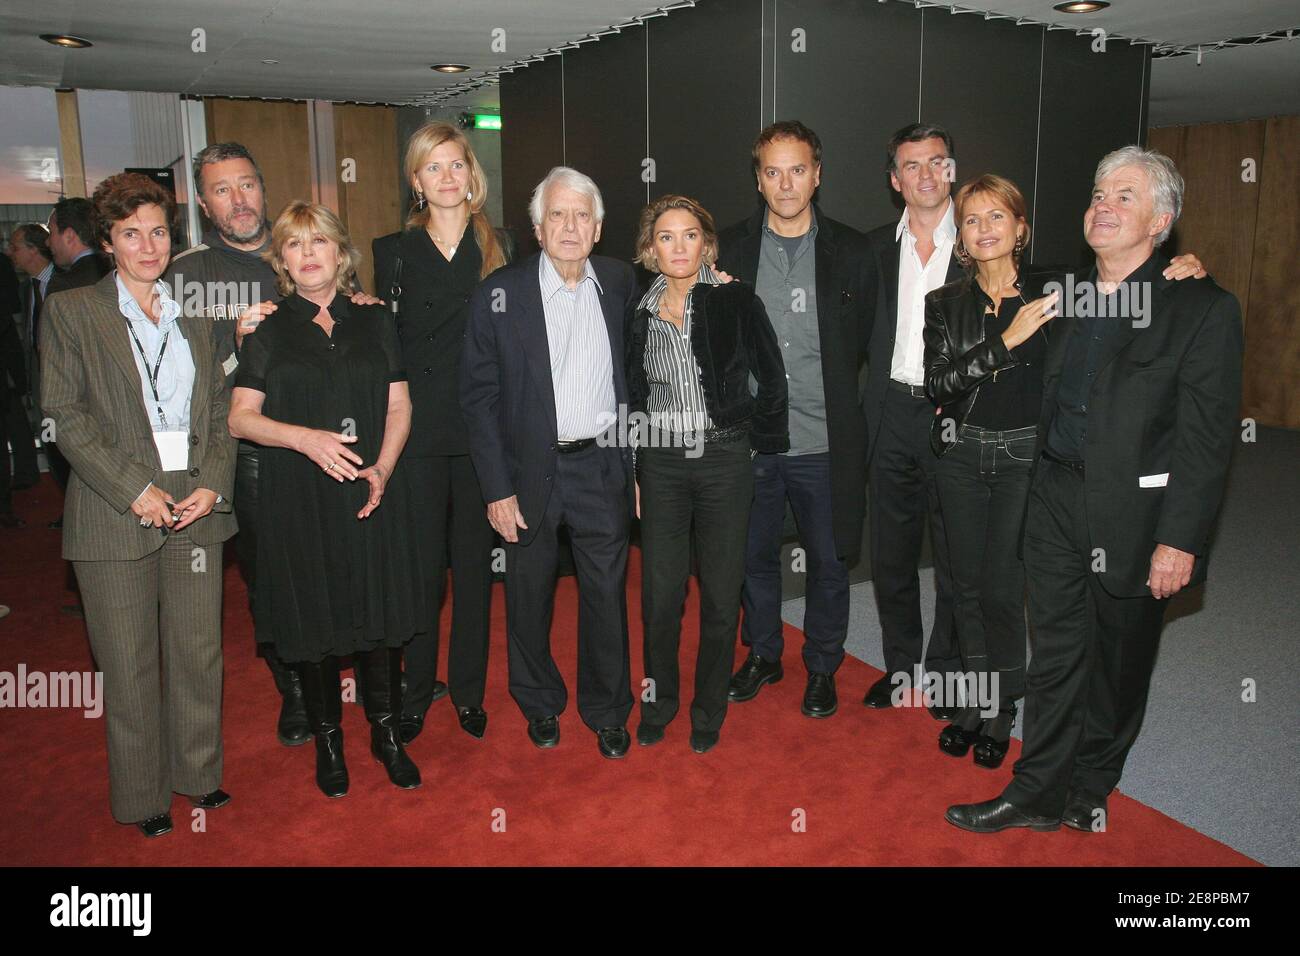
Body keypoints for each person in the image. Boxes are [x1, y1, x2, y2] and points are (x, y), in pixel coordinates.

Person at [945, 146, 1243, 833]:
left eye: (1124, 197)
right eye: (1098, 193)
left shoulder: (1199, 307)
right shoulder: (1065, 292)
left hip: (1137, 514)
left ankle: (1093, 778)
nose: (1103, 206)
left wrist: (1180, 540)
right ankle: (1036, 790)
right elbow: (990, 287)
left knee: (1119, 657)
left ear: (1160, 220)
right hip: (1053, 496)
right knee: (1054, 652)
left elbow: (1205, 441)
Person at [40, 172, 237, 837]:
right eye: (131, 233)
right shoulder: (73, 312)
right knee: (128, 664)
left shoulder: (199, 312)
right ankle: (142, 797)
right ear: (107, 241)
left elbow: (216, 406)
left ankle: (199, 776)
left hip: (194, 500)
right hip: (115, 506)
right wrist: (134, 489)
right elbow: (64, 417)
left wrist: (213, 480)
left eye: (158, 231)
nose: (148, 246)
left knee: (197, 652)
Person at [228, 201, 425, 797]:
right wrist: (305, 439)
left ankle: (386, 734)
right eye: (294, 244)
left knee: (381, 614)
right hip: (300, 495)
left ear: (341, 253)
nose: (309, 253)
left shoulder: (375, 319)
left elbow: (398, 405)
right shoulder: (266, 329)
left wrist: (384, 468)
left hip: (370, 490)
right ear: (283, 261)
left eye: (319, 241)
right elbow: (241, 420)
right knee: (313, 617)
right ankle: (328, 740)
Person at [461, 166, 638, 759]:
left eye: (581, 215)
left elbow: (644, 372)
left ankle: (609, 710)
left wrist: (636, 469)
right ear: (538, 228)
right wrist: (496, 487)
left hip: (603, 466)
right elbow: (478, 399)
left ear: (599, 227)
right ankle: (538, 701)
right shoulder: (499, 293)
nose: (570, 226)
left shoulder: (621, 283)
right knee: (528, 594)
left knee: (607, 595)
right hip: (526, 471)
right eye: (557, 215)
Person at [716, 121, 874, 719]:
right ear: (758, 179)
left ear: (818, 174)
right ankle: (762, 653)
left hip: (823, 440)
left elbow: (865, 341)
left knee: (828, 561)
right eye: (773, 171)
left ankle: (824, 665)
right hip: (750, 443)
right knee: (751, 557)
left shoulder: (854, 252)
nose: (786, 183)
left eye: (798, 169)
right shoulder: (727, 250)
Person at [627, 194, 788, 753]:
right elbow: (632, 397)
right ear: (651, 247)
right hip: (664, 463)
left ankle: (708, 708)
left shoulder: (735, 299)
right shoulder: (638, 310)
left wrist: (760, 453)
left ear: (707, 244)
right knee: (660, 597)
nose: (678, 246)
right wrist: (637, 472)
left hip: (724, 460)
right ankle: (658, 703)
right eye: (666, 236)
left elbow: (773, 380)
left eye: (689, 235)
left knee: (722, 597)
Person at [373, 121, 514, 744]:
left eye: (457, 164)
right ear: (416, 181)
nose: (448, 177)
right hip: (418, 428)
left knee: (476, 570)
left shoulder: (502, 243)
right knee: (423, 571)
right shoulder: (391, 252)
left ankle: (467, 691)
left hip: (484, 427)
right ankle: (416, 688)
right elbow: (381, 346)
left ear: (472, 175)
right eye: (434, 168)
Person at [167, 142, 311, 749]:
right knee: (271, 575)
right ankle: (295, 691)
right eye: (222, 190)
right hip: (247, 453)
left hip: (324, 439)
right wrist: (232, 340)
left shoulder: (302, 247)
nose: (238, 199)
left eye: (246, 184)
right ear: (203, 202)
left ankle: (347, 672)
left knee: (336, 558)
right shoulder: (186, 273)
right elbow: (178, 379)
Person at [923, 175, 1061, 766]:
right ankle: (975, 701)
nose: (984, 229)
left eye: (996, 217)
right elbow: (939, 384)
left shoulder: (1058, 291)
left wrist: (1183, 266)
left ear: (1020, 228)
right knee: (965, 586)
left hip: (1025, 455)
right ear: (961, 236)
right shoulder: (944, 303)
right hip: (962, 452)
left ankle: (1004, 707)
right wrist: (1004, 341)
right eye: (972, 220)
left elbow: (1138, 294)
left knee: (1004, 588)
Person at [861, 123, 965, 718]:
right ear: (895, 180)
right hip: (891, 412)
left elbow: (1064, 284)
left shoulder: (984, 242)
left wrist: (1170, 269)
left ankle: (948, 674)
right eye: (912, 165)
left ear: (951, 171)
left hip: (956, 414)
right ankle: (901, 668)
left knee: (955, 554)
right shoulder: (872, 248)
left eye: (937, 162)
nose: (926, 175)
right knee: (893, 555)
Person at [44, 198, 111, 528]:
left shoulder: (64, 289)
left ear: (69, 235)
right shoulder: (110, 278)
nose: (48, 242)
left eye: (52, 232)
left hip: (86, 421)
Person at [5, 225, 51, 490]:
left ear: (34, 250)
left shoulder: (62, 284)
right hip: (39, 383)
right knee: (50, 439)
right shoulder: (26, 289)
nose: (10, 253)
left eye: (15, 247)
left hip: (64, 383)